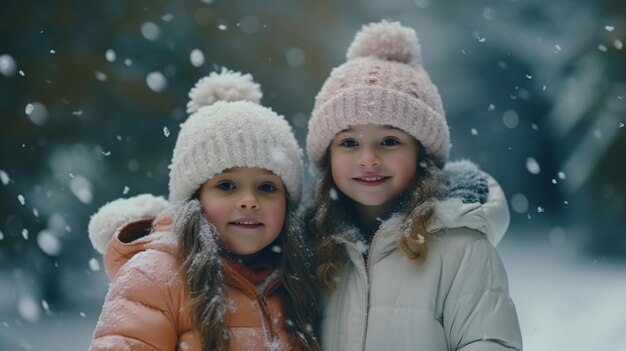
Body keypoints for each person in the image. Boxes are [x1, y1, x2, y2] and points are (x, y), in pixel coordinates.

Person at [305, 20, 523, 350]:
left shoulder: (462, 248)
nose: (369, 158)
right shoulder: (312, 247)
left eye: (389, 140)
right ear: (327, 158)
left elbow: (489, 341)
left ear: (422, 155)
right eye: (349, 143)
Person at [87, 69, 320, 350]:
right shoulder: (155, 276)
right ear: (194, 199)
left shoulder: (298, 280)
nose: (249, 201)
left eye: (267, 187)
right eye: (226, 185)